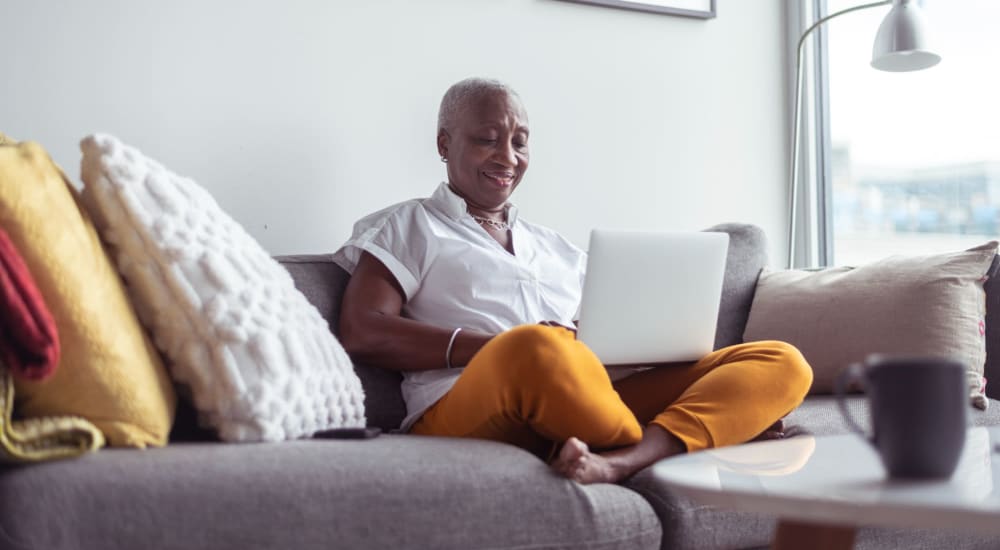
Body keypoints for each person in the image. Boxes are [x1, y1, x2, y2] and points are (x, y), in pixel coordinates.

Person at [333, 77, 812, 484]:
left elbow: (602, 341)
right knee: (537, 349)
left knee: (782, 361)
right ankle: (700, 434)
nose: (507, 156)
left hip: (586, 395)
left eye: (519, 141)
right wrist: (496, 347)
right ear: (444, 144)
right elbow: (364, 328)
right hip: (467, 405)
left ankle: (621, 459)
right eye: (487, 139)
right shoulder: (409, 225)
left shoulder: (557, 248)